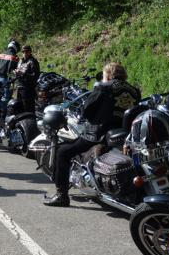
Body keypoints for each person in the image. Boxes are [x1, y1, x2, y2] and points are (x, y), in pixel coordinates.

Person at [42, 64, 119, 207]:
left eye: (103, 75)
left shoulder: (104, 87)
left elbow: (87, 109)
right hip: (120, 134)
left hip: (97, 134)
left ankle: (61, 195)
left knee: (63, 152)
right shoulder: (133, 90)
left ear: (108, 75)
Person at [15, 44, 40, 113]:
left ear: (30, 52)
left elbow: (35, 76)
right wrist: (16, 72)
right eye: (23, 52)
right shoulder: (20, 61)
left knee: (28, 108)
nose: (24, 53)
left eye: (26, 51)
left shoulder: (33, 62)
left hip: (28, 88)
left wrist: (23, 74)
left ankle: (30, 119)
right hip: (19, 86)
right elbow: (18, 71)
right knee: (19, 107)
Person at [0, 39, 20, 104]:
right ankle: (4, 109)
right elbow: (15, 70)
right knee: (6, 97)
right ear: (15, 48)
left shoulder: (0, 55)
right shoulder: (14, 57)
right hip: (8, 79)